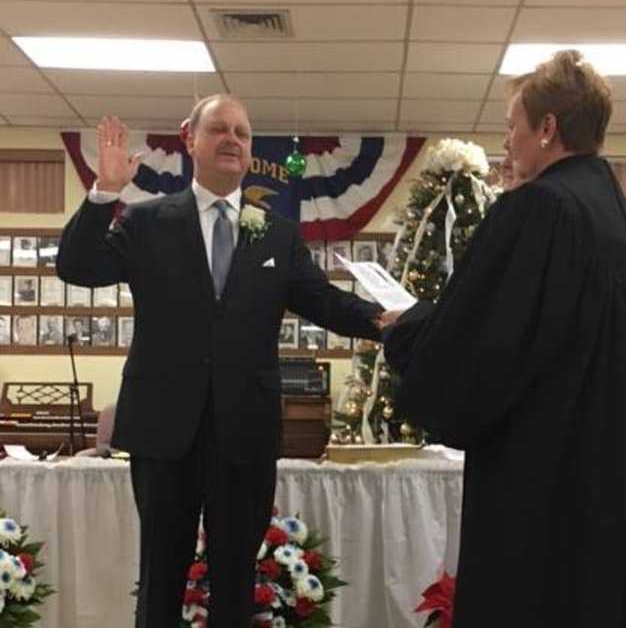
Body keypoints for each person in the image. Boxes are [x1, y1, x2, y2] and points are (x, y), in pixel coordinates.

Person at [57, 96, 392, 628]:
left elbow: (324, 302)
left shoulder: (277, 232)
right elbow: (76, 266)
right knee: (161, 579)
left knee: (237, 581)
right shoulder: (146, 222)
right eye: (219, 129)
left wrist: (384, 320)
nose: (233, 139)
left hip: (245, 432)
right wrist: (105, 192)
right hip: (163, 431)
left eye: (242, 131)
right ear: (190, 137)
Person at [384, 50, 626, 627]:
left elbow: (480, 346)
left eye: (512, 126)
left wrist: (409, 328)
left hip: (545, 489)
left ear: (547, 128)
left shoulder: (538, 210)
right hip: (614, 487)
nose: (507, 142)